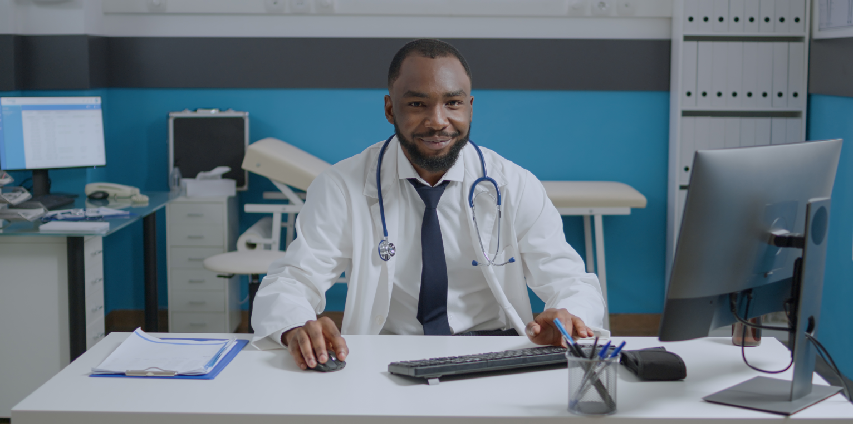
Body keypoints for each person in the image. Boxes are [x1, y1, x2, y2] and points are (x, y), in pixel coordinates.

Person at [252, 39, 605, 370]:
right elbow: (293, 279)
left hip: (493, 352)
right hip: (385, 355)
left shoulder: (513, 184)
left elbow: (572, 280)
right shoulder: (341, 186)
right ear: (390, 109)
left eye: (452, 103)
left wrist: (568, 315)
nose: (438, 121)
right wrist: (296, 325)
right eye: (418, 104)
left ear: (470, 107)